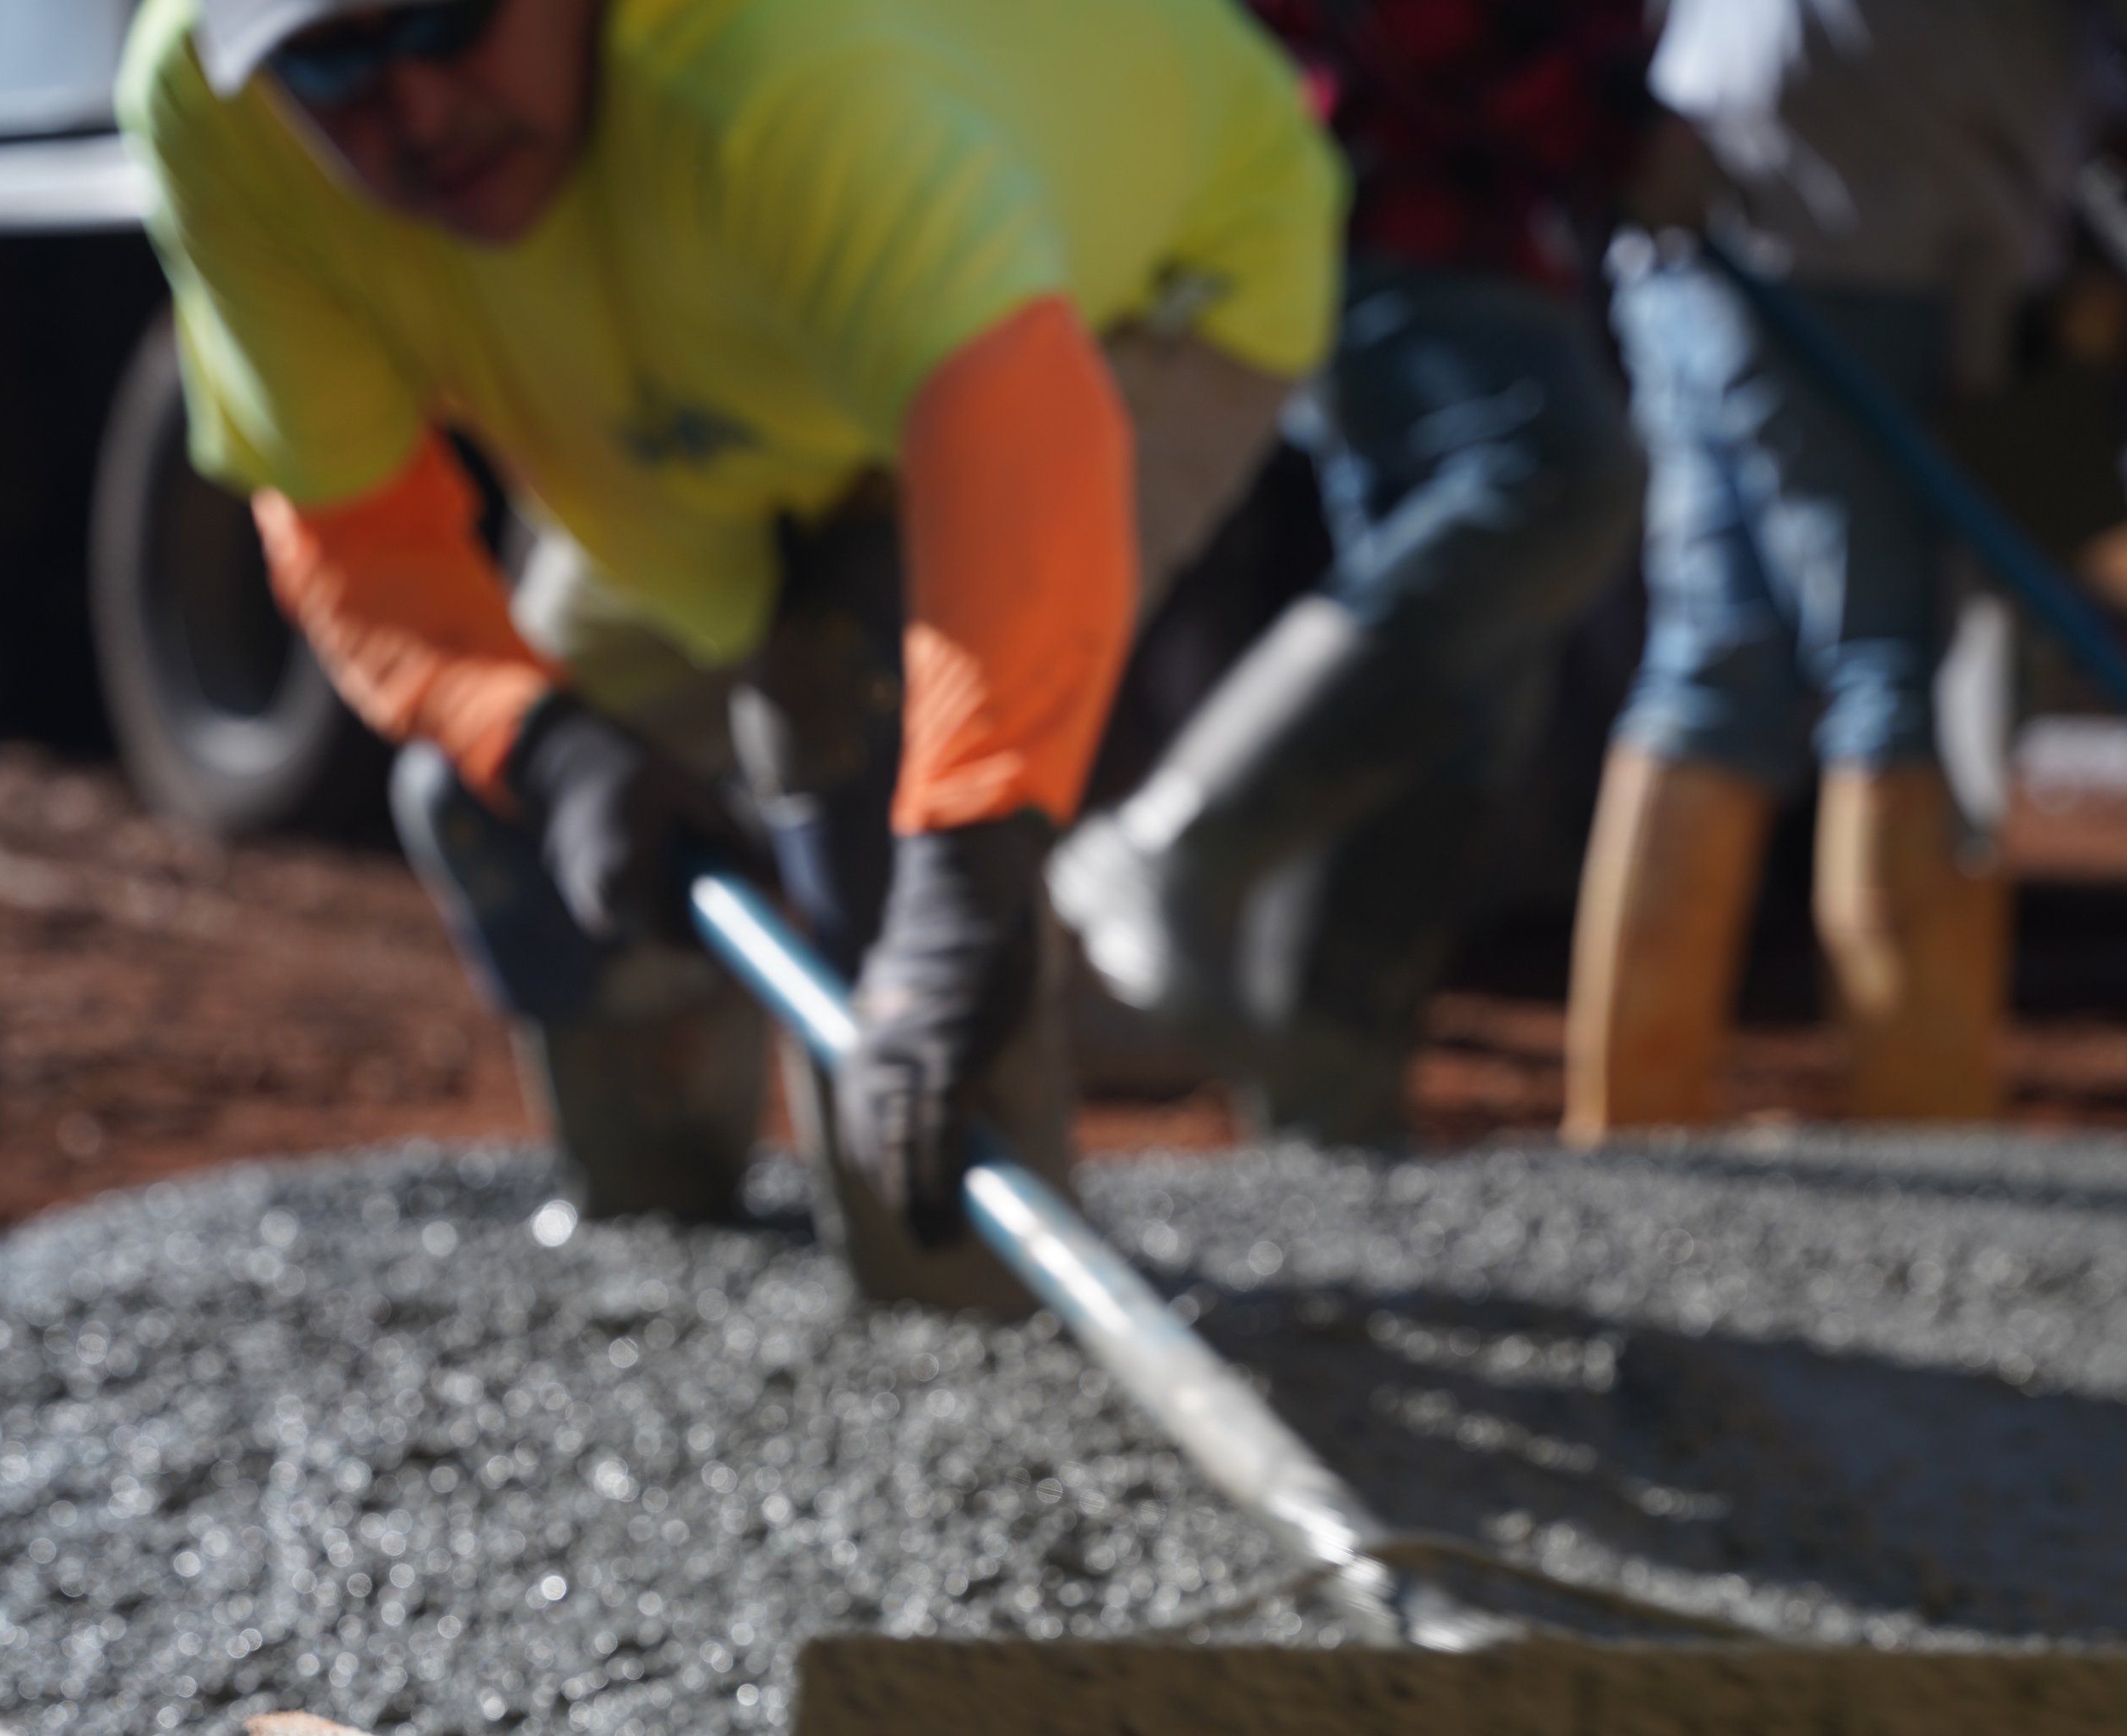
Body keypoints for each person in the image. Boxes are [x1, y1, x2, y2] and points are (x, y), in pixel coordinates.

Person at [119, 0, 1341, 1305]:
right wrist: (541, 744)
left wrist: (968, 866)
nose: (410, 112)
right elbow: (351, 525)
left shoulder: (788, 78)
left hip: (1125, 288)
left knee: (866, 733)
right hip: (739, 388)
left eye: (450, 21)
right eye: (333, 62)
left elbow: (1013, 425)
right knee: (508, 797)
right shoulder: (215, 110)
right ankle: (663, 1255)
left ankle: (966, 1308)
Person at [1048, 1, 1654, 1147]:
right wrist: (1619, 122)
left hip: (1481, 219)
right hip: (1385, 207)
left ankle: (1331, 1099)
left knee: (1481, 665)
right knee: (1546, 476)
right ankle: (1172, 845)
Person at [1567, 0, 2113, 1137]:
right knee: (1912, 665)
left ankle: (1631, 1125)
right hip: (1887, 231)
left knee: (1720, 656)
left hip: (1707, 198)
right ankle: (1928, 1145)